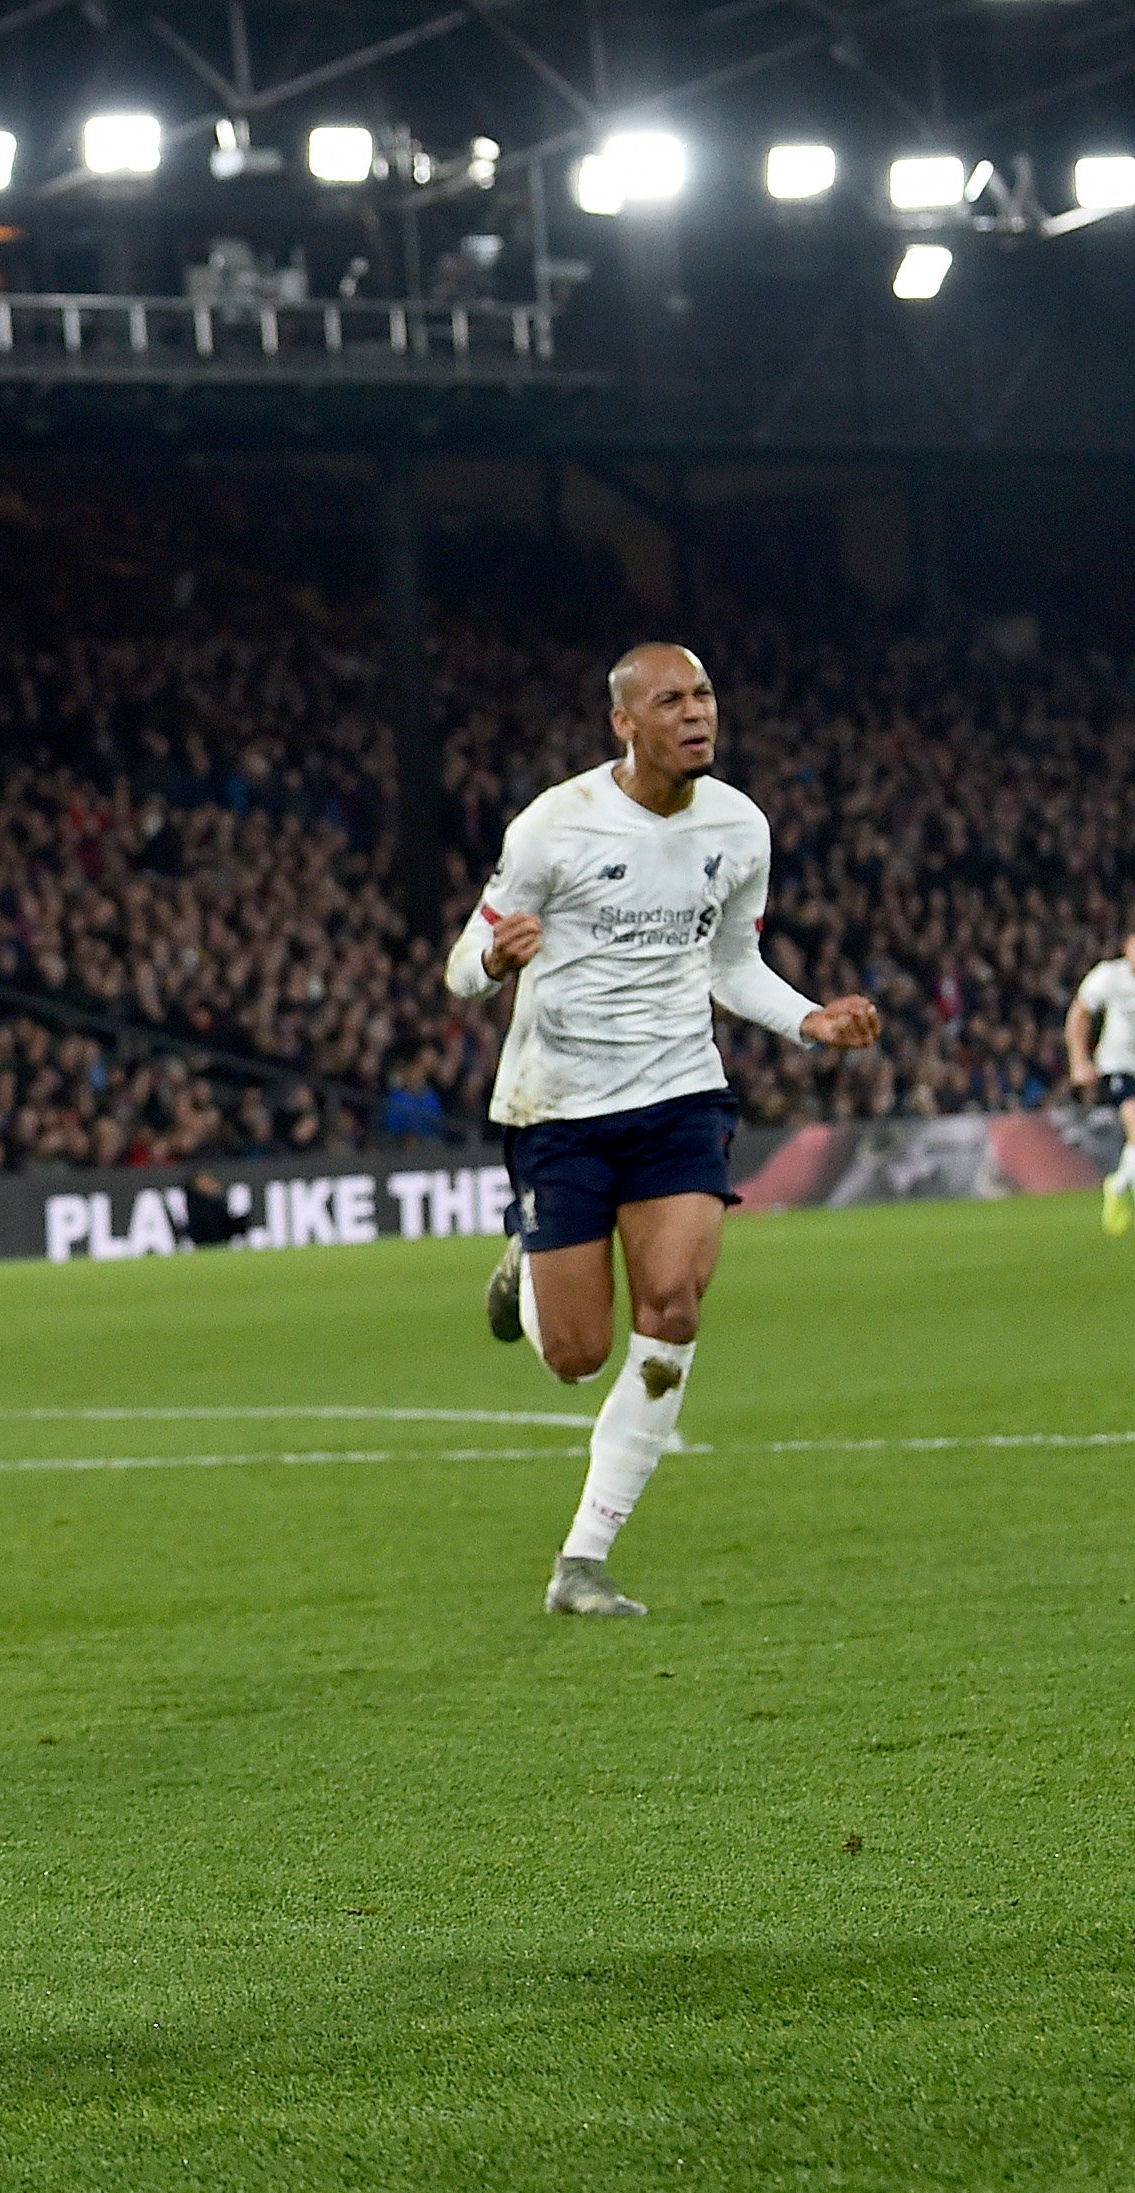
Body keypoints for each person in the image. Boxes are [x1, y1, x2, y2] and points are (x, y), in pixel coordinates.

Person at [447, 643, 881, 1617]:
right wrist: (492, 961)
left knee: (675, 1307)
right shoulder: (552, 828)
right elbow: (460, 967)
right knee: (573, 1356)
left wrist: (808, 1019)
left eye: (705, 694)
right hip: (558, 1108)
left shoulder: (741, 825)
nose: (696, 714)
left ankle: (582, 1561)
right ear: (625, 723)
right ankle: (528, 1260)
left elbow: (732, 965)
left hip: (681, 1097)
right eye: (671, 700)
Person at [1062, 925, 1135, 1235]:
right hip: (1120, 1066)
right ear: (1127, 948)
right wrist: (1079, 1060)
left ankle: (1118, 1185)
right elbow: (1079, 1013)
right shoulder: (1109, 976)